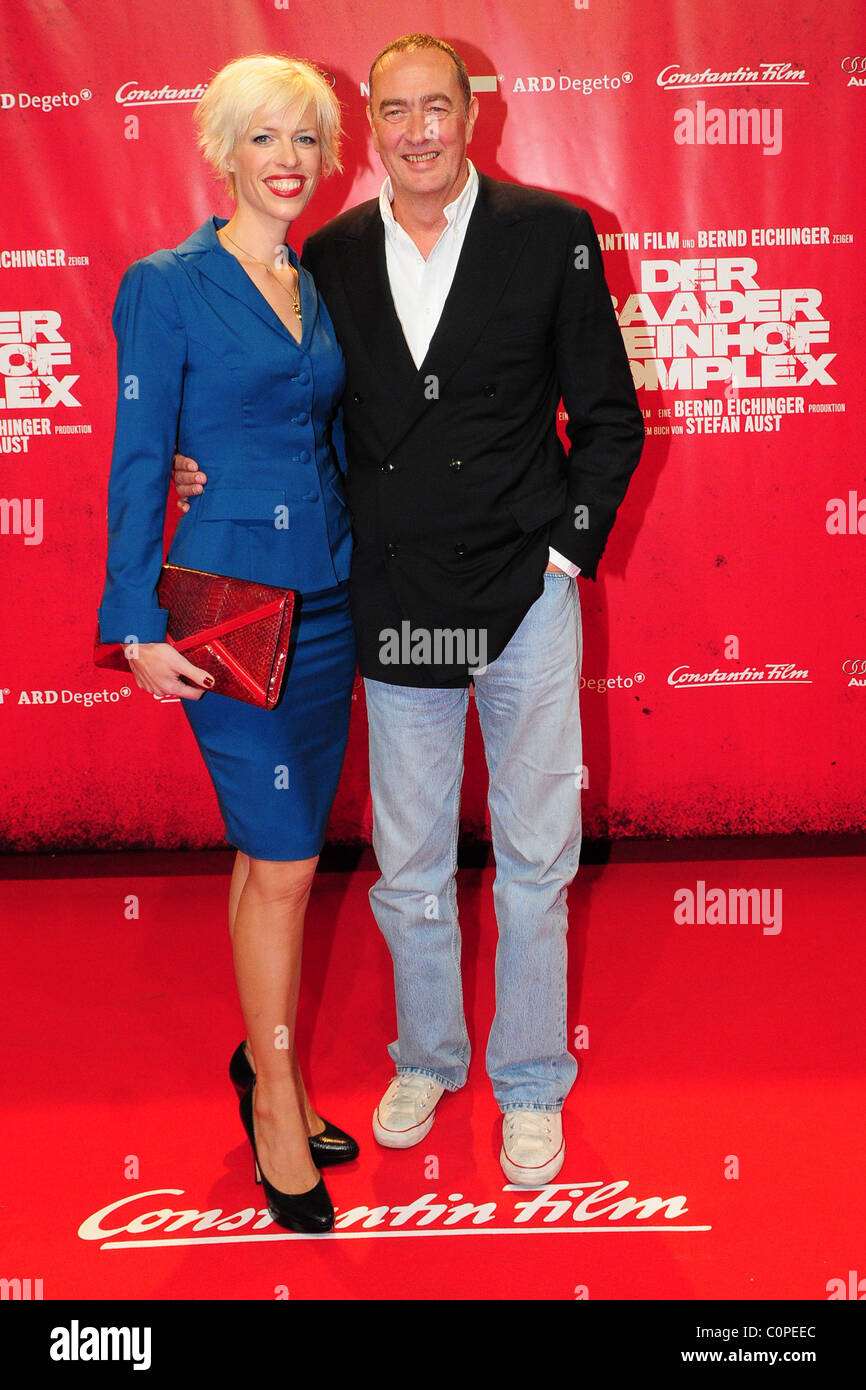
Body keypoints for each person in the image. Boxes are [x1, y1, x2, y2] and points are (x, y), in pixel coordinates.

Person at [174, 33, 644, 1186]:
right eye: (395, 110)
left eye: (438, 107)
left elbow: (608, 416)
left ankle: (530, 1078)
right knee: (408, 860)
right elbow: (291, 411)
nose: (418, 130)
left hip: (526, 597)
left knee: (536, 854)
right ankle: (427, 1055)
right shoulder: (327, 255)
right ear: (370, 127)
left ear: (470, 115)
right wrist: (202, 472)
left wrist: (563, 555)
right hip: (395, 598)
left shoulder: (550, 233)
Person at [98, 54, 361, 1233]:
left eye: (304, 140)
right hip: (228, 614)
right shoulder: (167, 283)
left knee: (277, 857)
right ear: (223, 150)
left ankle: (263, 1058)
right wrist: (132, 622)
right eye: (264, 139)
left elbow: (333, 436)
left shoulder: (316, 283)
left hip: (333, 598)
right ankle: (277, 1093)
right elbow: (141, 454)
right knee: (289, 864)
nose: (288, 162)